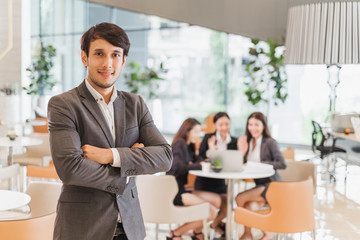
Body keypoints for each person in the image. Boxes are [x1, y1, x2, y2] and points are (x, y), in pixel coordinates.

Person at [48, 22, 173, 240]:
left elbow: (164, 156)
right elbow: (70, 168)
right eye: (99, 53)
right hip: (83, 228)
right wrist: (126, 174)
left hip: (130, 228)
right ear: (84, 58)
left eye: (115, 55)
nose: (108, 63)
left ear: (123, 61)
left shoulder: (136, 104)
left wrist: (110, 155)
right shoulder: (64, 105)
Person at [236, 112, 286, 240]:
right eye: (250, 124)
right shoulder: (248, 142)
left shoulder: (269, 142)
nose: (253, 128)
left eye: (257, 125)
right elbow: (243, 165)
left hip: (272, 184)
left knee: (240, 198)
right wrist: (242, 152)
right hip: (260, 185)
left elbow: (282, 164)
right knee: (248, 207)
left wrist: (260, 164)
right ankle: (261, 234)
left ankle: (249, 234)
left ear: (263, 126)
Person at [166, 118, 218, 240]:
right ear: (187, 131)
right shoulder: (180, 144)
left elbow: (197, 161)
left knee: (216, 201)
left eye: (199, 132)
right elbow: (178, 168)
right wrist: (197, 164)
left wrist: (209, 150)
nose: (198, 135)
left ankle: (196, 233)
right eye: (196, 132)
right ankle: (177, 233)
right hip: (175, 191)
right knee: (212, 212)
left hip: (183, 188)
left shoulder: (189, 146)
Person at [195, 112, 238, 235]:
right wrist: (211, 151)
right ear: (215, 125)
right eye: (221, 124)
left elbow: (237, 161)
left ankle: (214, 224)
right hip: (206, 181)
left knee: (229, 204)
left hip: (221, 182)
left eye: (227, 124)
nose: (224, 127)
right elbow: (201, 159)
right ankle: (218, 226)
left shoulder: (234, 141)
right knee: (224, 203)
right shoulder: (208, 138)